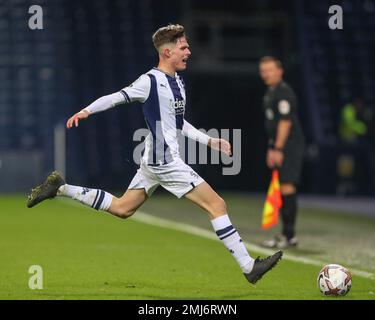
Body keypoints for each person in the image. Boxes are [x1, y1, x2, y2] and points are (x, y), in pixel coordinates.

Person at [27, 24, 282, 284]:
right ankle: (249, 266)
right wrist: (86, 111)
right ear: (167, 52)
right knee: (217, 205)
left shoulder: (178, 82)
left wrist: (209, 141)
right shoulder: (149, 81)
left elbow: (179, 123)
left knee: (123, 208)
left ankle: (60, 188)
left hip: (153, 158)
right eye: (184, 47)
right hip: (165, 161)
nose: (189, 52)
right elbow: (116, 97)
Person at [259, 56, 305, 249]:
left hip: (290, 145)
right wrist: (272, 147)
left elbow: (285, 122)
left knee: (287, 186)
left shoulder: (283, 92)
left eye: (270, 70)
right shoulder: (271, 93)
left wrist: (278, 148)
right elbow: (273, 126)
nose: (266, 74)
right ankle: (287, 235)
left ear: (280, 71)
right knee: (283, 186)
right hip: (280, 144)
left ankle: (289, 236)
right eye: (263, 71)